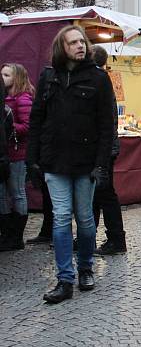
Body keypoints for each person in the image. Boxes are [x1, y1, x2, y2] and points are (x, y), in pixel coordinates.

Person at [27, 25, 116, 304]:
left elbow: (106, 125)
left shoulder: (98, 78)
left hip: (86, 162)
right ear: (61, 47)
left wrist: (101, 163)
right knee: (62, 218)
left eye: (82, 41)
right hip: (54, 162)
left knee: (86, 221)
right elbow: (36, 119)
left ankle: (86, 266)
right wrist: (33, 159)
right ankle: (65, 279)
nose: (80, 45)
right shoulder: (48, 76)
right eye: (73, 42)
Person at [89, 47, 127, 255]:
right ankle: (91, 235)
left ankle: (116, 238)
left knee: (104, 193)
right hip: (103, 147)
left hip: (104, 148)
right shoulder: (101, 79)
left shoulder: (100, 81)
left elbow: (105, 120)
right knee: (97, 194)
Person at [0, 63, 32, 251]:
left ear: (16, 78)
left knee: (17, 192)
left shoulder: (23, 99)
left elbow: (28, 126)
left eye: (6, 75)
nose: (2, 78)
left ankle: (16, 236)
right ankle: (7, 234)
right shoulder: (5, 97)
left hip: (17, 153)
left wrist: (8, 128)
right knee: (2, 194)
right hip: (5, 153)